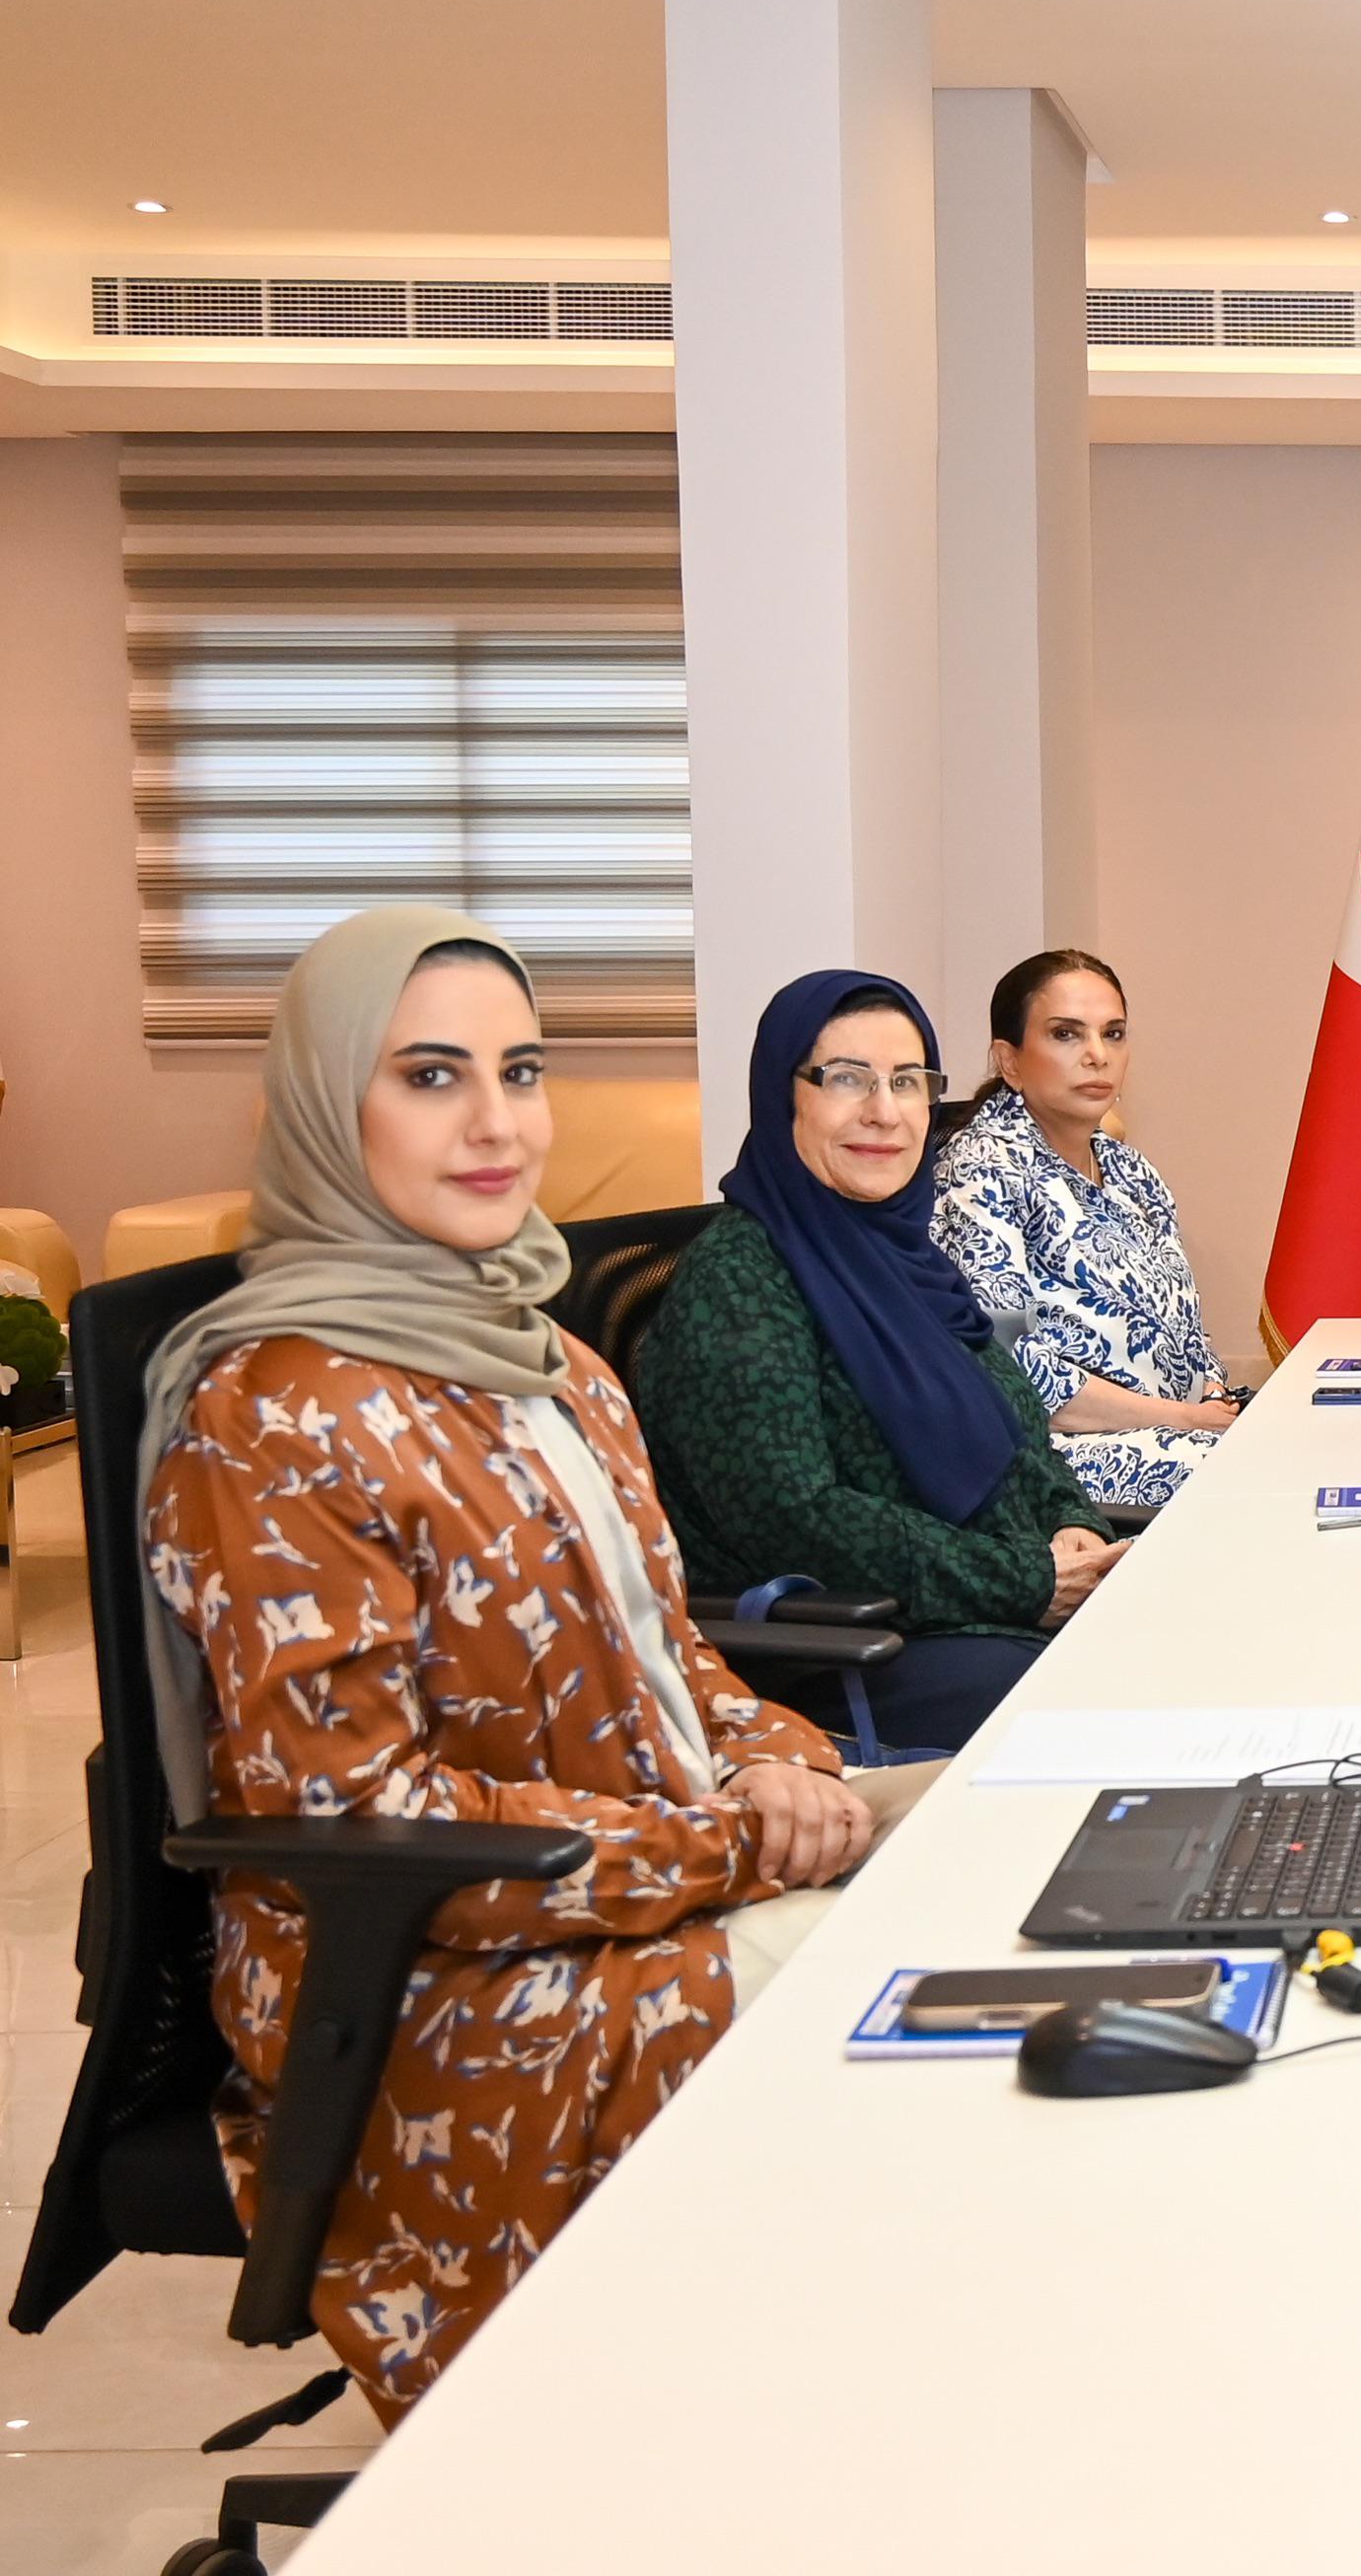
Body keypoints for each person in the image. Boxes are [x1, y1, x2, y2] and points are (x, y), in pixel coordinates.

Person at [139, 908, 891, 2419]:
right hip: (442, 1984)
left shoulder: (552, 1365)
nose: (497, 1123)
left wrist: (772, 1757)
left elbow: (671, 1649)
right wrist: (732, 1840)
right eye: (431, 1076)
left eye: (522, 1070)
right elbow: (364, 1817)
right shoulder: (273, 1414)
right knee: (909, 1999)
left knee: (1011, 1838)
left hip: (646, 1870)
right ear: (325, 1105)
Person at [636, 969, 1122, 1754]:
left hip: (978, 1613)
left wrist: (1071, 1523)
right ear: (783, 1093)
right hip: (844, 1653)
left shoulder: (910, 1260)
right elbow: (794, 1517)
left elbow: (1017, 1432)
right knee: (1119, 1701)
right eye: (846, 1079)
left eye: (906, 1081)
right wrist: (1025, 1581)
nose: (884, 1112)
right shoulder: (738, 1279)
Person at [932, 948, 1241, 1507]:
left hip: (1183, 1427)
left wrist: (1214, 1394)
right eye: (1066, 1034)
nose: (1098, 1055)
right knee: (1258, 1478)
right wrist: (1184, 1418)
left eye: (1113, 1034)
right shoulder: (982, 1168)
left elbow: (1185, 1326)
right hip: (1051, 1453)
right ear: (1009, 1061)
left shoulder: (1130, 1168)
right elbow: (1003, 1363)